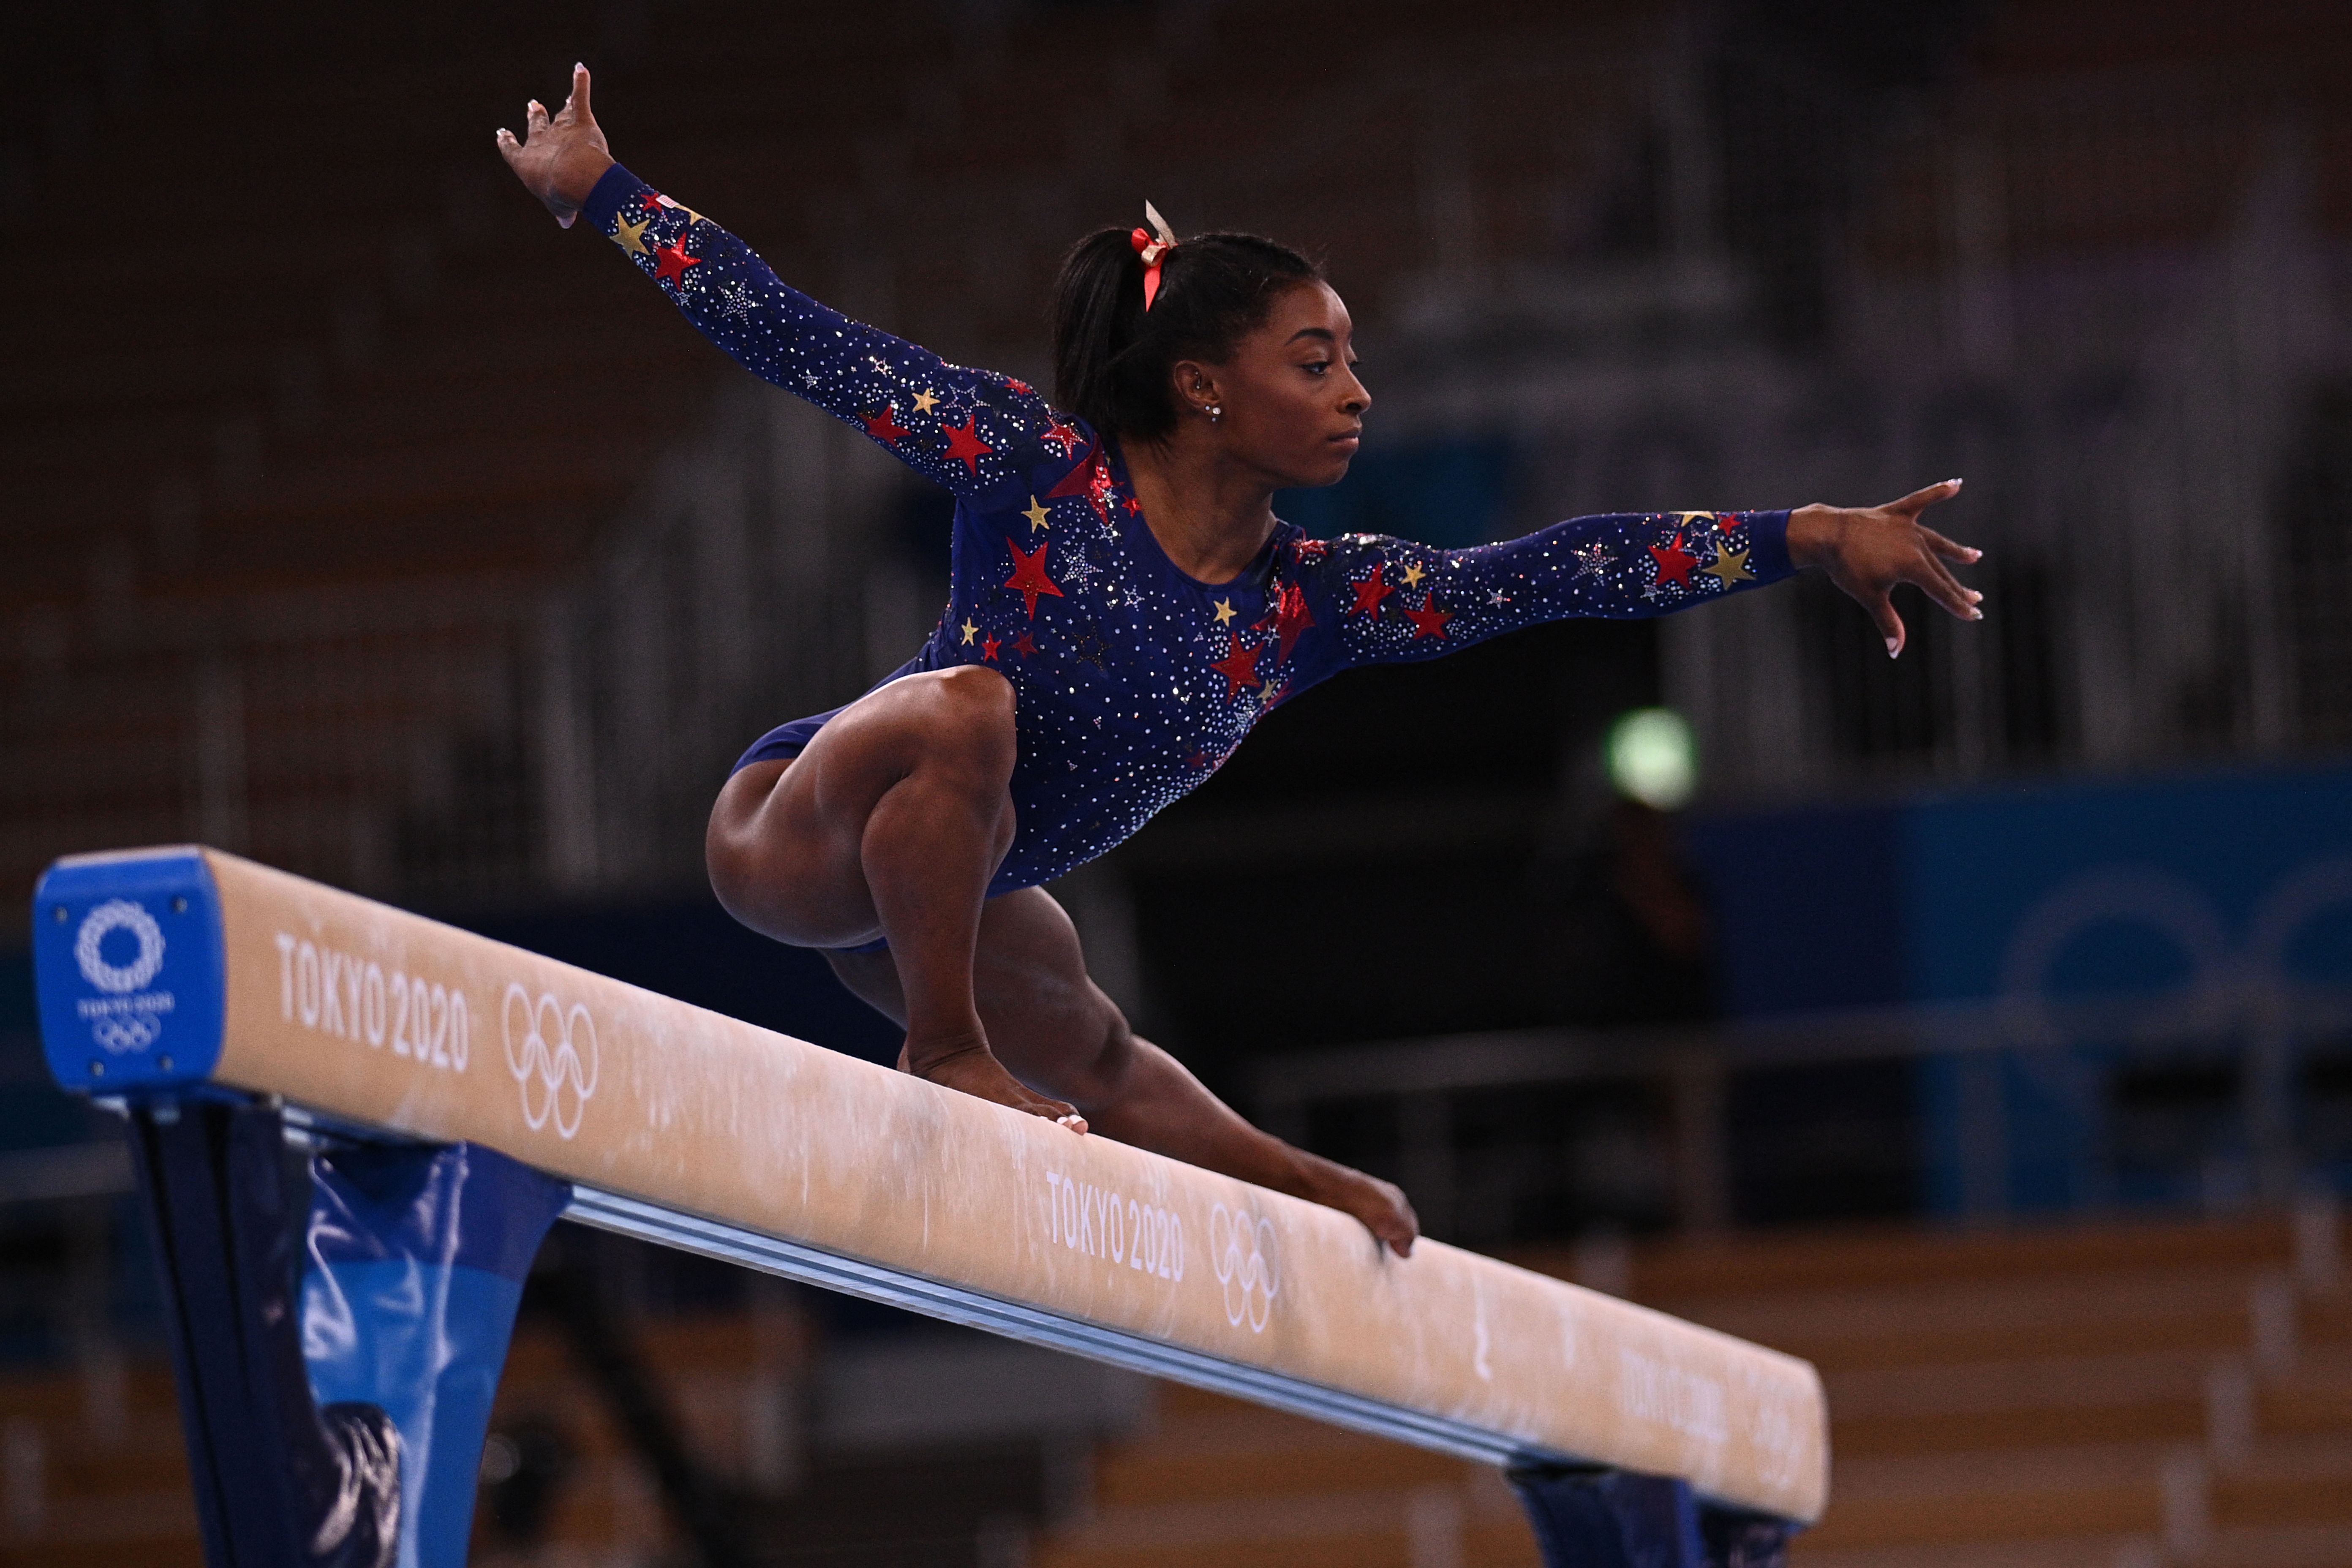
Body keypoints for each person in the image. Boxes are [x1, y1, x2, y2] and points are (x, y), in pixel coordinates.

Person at [498, 66, 1984, 1257]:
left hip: (954, 888)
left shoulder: (1310, 603)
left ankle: (1162, 1113)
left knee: (1088, 1029)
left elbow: (1558, 572)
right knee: (971, 708)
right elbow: (801, 340)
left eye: (1351, 360)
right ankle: (944, 1055)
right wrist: (603, 191)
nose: (1359, 395)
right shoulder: (1032, 462)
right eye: (1317, 360)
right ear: (1204, 388)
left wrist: (1801, 533)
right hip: (796, 823)